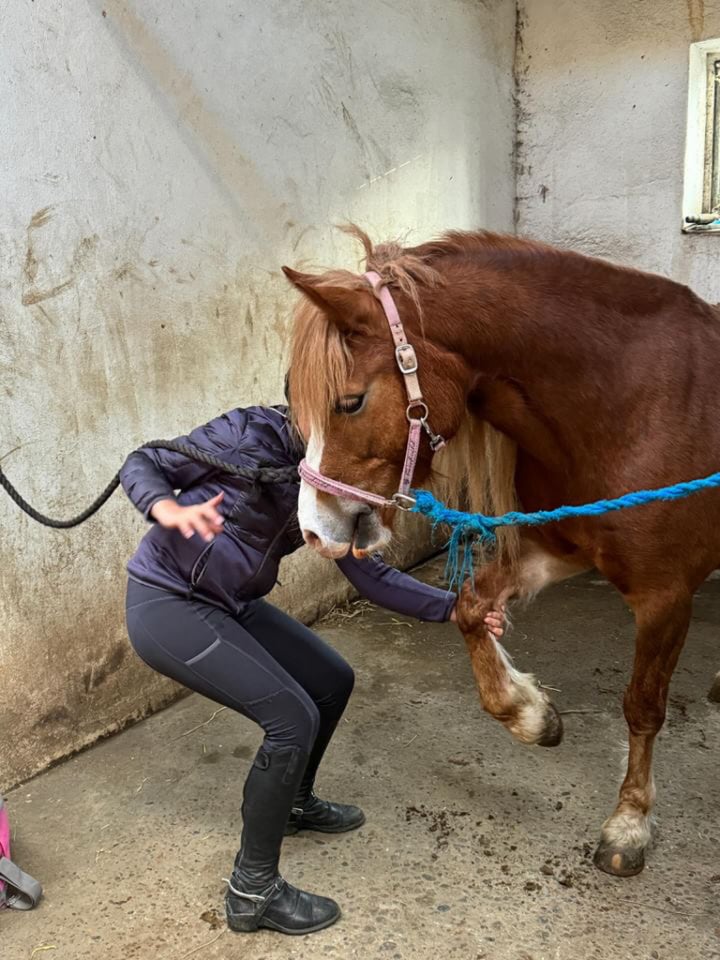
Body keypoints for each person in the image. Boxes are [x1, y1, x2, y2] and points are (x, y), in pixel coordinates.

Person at [121, 399, 504, 936]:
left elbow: (370, 577)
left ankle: (295, 803)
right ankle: (252, 891)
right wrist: (165, 507)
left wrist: (454, 607)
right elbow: (144, 462)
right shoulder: (248, 433)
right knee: (290, 719)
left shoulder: (335, 473)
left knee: (331, 681)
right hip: (168, 602)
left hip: (231, 604)